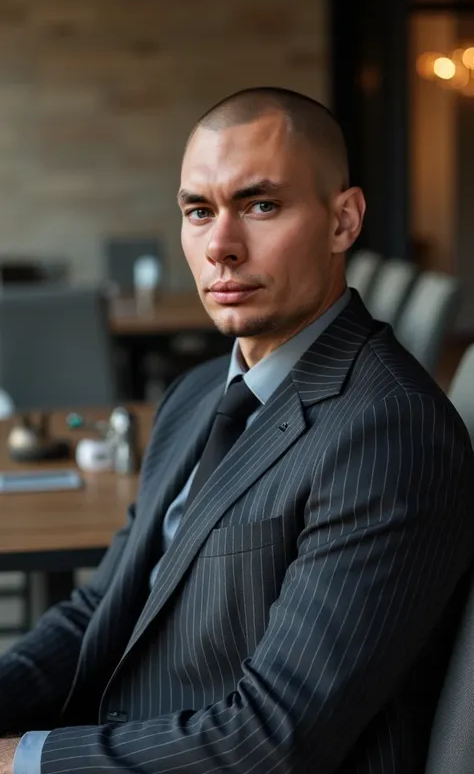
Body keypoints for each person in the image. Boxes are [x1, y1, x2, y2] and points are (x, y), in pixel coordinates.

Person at [0, 87, 472, 774]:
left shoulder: (388, 430)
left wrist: (22, 762)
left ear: (344, 220)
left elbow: (273, 739)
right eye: (198, 211)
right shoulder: (193, 397)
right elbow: (101, 609)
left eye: (260, 206)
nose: (220, 246)